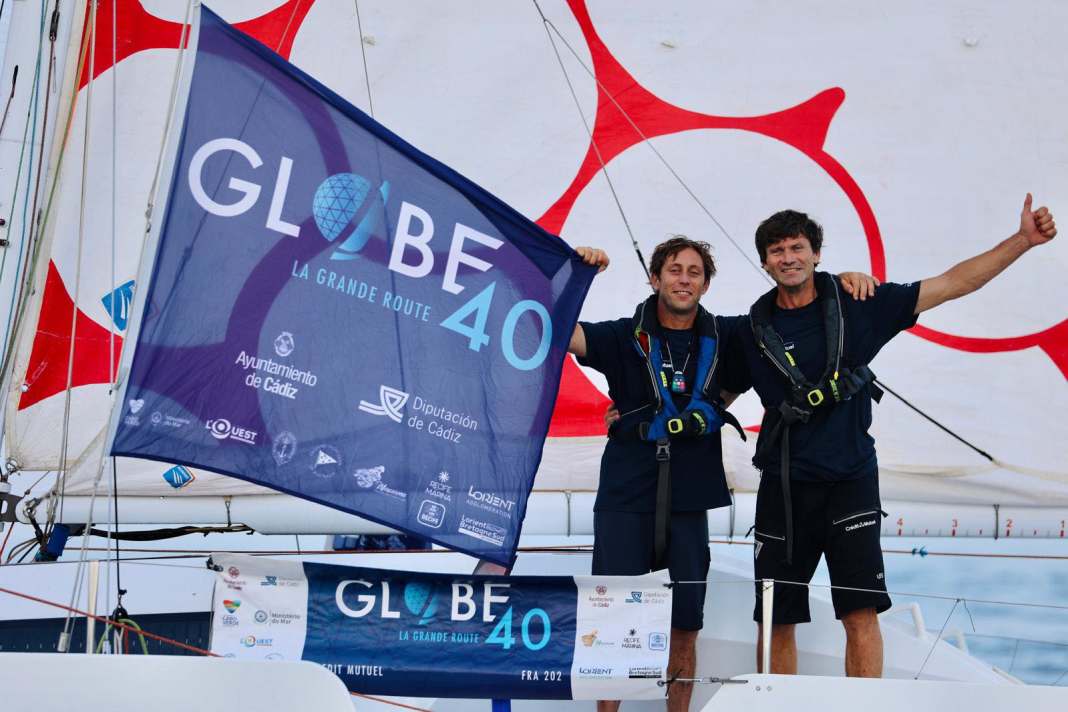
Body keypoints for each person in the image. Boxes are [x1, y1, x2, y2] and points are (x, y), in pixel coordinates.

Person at [740, 195, 1057, 678]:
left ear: (816, 253)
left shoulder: (860, 305)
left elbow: (953, 283)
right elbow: (707, 391)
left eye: (797, 247)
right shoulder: (748, 331)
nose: (789, 257)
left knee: (860, 614)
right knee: (776, 618)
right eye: (778, 250)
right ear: (764, 262)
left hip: (850, 483)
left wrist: (1022, 242)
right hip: (784, 488)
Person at [571, 237, 875, 711]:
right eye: (674, 270)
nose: (683, 279)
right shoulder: (620, 335)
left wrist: (845, 279)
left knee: (686, 627)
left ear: (706, 283)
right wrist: (576, 273)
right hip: (625, 495)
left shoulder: (731, 334)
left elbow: (797, 305)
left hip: (691, 499)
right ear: (654, 278)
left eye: (694, 272)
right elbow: (557, 332)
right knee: (611, 625)